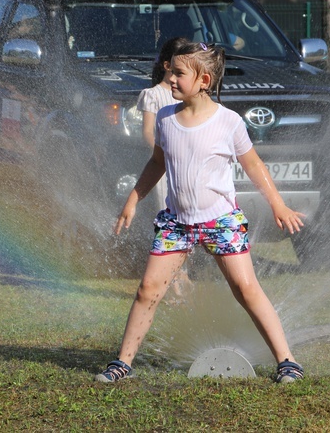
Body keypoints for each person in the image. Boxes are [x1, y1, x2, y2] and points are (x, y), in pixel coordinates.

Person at [95, 42, 305, 384]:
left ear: (204, 79)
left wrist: (278, 204)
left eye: (179, 73)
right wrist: (133, 199)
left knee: (246, 288)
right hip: (177, 222)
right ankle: (122, 363)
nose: (171, 79)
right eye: (170, 72)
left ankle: (287, 361)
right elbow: (157, 163)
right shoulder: (165, 118)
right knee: (148, 289)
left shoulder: (228, 122)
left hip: (221, 221)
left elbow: (253, 165)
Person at [136, 36, 192, 298]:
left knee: (187, 219)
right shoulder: (153, 95)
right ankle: (173, 276)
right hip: (165, 172)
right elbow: (148, 133)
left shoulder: (188, 96)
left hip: (187, 171)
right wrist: (167, 156)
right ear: (168, 64)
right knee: (169, 221)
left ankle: (180, 272)